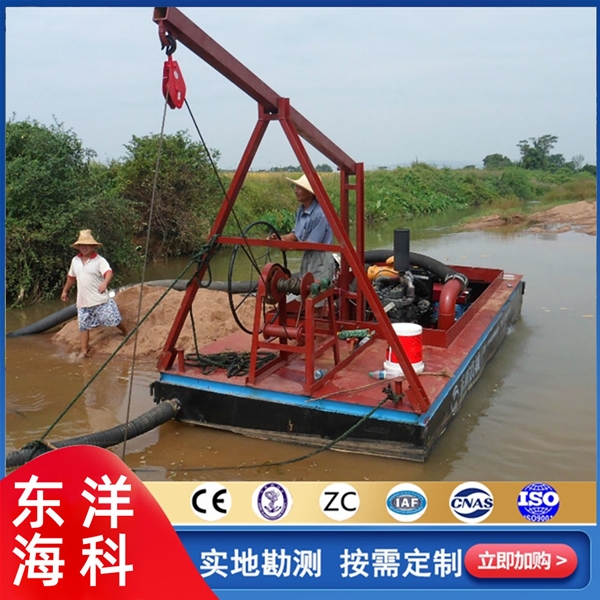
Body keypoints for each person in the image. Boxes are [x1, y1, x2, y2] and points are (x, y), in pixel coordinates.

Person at [61, 229, 127, 358]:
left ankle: (125, 331)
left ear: (93, 246)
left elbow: (109, 273)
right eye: (82, 245)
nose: (84, 248)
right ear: (78, 247)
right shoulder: (75, 261)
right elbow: (71, 278)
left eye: (87, 245)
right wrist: (65, 291)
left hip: (99, 299)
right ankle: (84, 351)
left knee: (113, 319)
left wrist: (104, 283)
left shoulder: (99, 260)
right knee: (83, 326)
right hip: (83, 301)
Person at [273, 173, 337, 283]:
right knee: (305, 287)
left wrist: (288, 247)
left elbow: (312, 244)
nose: (296, 191)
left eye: (300, 188)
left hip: (321, 260)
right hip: (307, 257)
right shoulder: (301, 211)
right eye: (296, 187)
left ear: (310, 193)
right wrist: (280, 239)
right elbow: (296, 235)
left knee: (317, 290)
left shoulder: (321, 214)